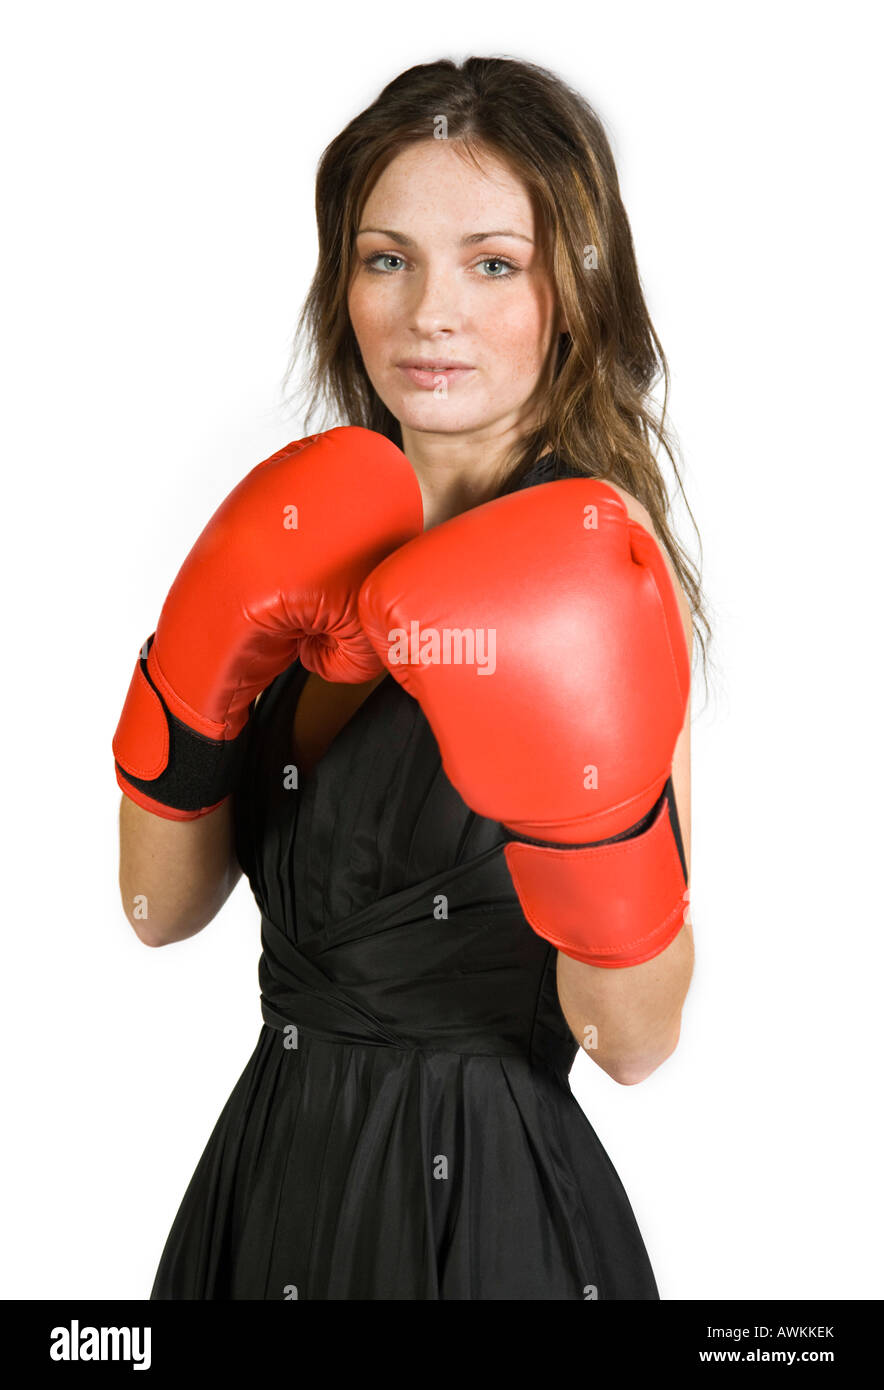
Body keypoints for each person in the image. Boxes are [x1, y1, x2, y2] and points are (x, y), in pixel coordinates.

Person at [114, 55, 709, 1300]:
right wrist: (190, 678)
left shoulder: (601, 569)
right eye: (388, 258)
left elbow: (633, 1040)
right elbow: (159, 913)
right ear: (344, 284)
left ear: (571, 291)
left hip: (482, 1212)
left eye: (492, 261)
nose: (430, 309)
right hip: (267, 1172)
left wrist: (589, 819)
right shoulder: (296, 533)